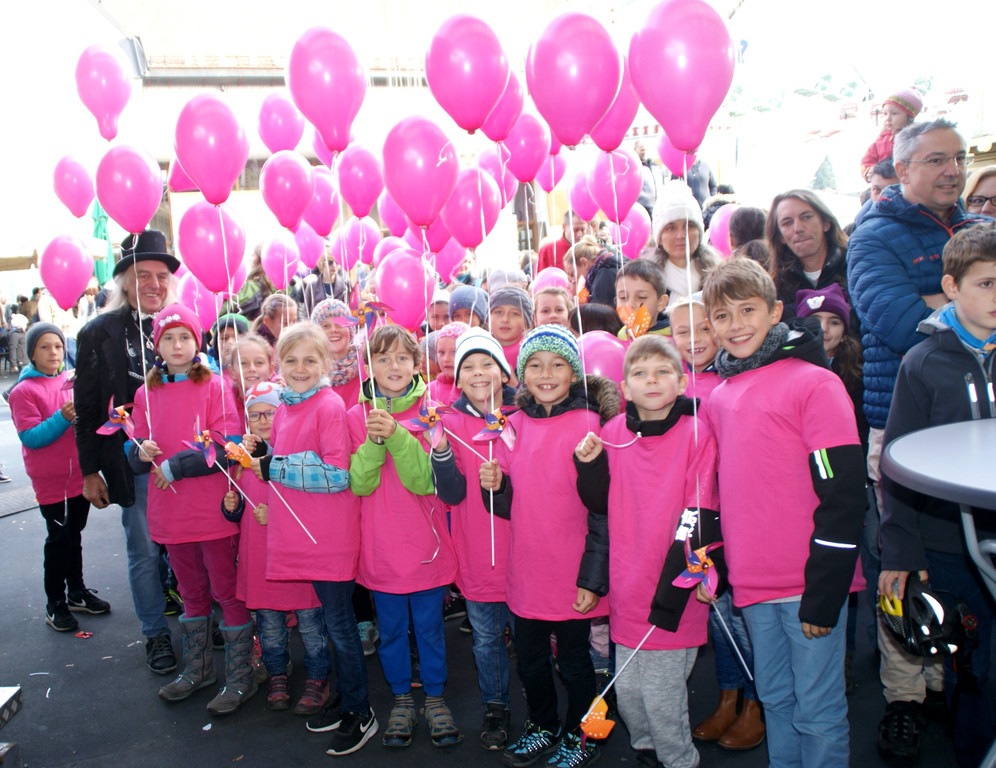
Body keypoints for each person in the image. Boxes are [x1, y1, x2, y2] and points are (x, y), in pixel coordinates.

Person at [846, 118, 985, 761]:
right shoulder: (874, 236)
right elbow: (902, 321)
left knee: (973, 570)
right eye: (935, 159)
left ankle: (955, 684)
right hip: (905, 429)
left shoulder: (971, 228)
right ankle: (904, 696)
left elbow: (928, 306)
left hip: (980, 433)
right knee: (904, 563)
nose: (952, 170)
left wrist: (944, 294)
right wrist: (959, 297)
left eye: (957, 158)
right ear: (902, 171)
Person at [703, 258, 866, 768]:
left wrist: (825, 588)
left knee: (818, 711)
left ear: (776, 312)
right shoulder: (719, 397)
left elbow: (842, 493)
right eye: (722, 316)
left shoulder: (815, 384)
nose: (736, 325)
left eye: (747, 310)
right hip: (752, 586)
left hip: (807, 584)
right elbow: (721, 491)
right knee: (775, 699)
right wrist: (722, 566)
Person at [878, 223, 996, 768]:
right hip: (953, 542)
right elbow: (899, 462)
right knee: (973, 663)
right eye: (987, 284)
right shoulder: (922, 364)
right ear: (951, 286)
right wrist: (902, 549)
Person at [575, 336, 722, 768]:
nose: (651, 381)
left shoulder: (697, 432)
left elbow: (702, 509)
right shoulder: (612, 432)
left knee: (662, 698)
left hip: (675, 583)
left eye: (662, 373)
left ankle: (678, 760)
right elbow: (598, 503)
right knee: (631, 695)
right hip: (627, 583)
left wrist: (689, 579)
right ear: (624, 388)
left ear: (681, 382)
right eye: (640, 373)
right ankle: (646, 752)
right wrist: (589, 465)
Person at [480, 324, 617, 768]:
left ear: (574, 374)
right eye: (534, 365)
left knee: (577, 665)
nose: (545, 373)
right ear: (521, 374)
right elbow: (506, 506)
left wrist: (593, 579)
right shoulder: (512, 425)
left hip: (573, 574)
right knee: (532, 662)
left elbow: (604, 510)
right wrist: (494, 486)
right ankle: (543, 724)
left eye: (558, 364)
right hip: (526, 572)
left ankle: (587, 735)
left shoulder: (593, 425)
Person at [247, 323, 377, 755]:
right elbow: (288, 459)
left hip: (331, 538)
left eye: (310, 360)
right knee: (333, 623)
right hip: (307, 537)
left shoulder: (329, 407)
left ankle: (361, 710)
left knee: (340, 628)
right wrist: (267, 458)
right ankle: (344, 698)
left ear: (327, 363)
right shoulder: (285, 407)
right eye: (291, 360)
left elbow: (338, 474)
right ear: (278, 365)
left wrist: (276, 467)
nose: (300, 368)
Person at [127, 303, 252, 714]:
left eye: (185, 337)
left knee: (226, 590)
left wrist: (173, 467)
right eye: (168, 337)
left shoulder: (215, 386)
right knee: (189, 591)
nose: (177, 345)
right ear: (156, 344)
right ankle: (198, 668)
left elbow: (227, 446)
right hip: (170, 512)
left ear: (197, 343)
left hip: (211, 508)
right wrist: (138, 449)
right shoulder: (145, 393)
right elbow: (134, 445)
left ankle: (240, 676)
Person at [347, 325, 460, 749]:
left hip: (426, 549)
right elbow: (359, 483)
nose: (393, 366)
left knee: (430, 629)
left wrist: (394, 434)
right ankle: (400, 699)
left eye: (402, 358)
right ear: (369, 366)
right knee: (391, 631)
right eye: (382, 358)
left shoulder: (433, 412)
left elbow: (424, 481)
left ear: (417, 364)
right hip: (381, 549)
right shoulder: (352, 416)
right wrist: (376, 440)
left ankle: (434, 698)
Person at [74, 230, 179, 675]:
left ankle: (197, 618)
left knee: (189, 546)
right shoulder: (98, 332)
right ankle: (155, 632)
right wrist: (89, 471)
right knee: (144, 551)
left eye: (162, 276)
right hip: (131, 461)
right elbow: (86, 405)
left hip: (185, 460)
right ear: (124, 281)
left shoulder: (182, 325)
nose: (155, 283)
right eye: (144, 275)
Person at [431, 328, 517, 750]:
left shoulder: (524, 417)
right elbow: (450, 493)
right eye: (469, 367)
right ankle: (495, 704)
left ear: (504, 372)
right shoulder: (447, 422)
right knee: (486, 638)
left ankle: (541, 709)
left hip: (525, 552)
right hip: (478, 552)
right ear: (457, 380)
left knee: (529, 637)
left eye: (488, 364)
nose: (479, 373)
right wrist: (442, 455)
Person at [221, 382, 328, 715]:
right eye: (255, 415)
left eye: (270, 412)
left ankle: (318, 676)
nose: (263, 419)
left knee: (311, 624)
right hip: (260, 561)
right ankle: (277, 674)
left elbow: (311, 504)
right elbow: (235, 513)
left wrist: (276, 515)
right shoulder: (239, 463)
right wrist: (231, 506)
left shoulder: (294, 456)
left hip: (296, 559)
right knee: (269, 627)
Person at [9, 323, 110, 632]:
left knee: (73, 535)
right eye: (44, 347)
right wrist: (62, 417)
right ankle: (55, 602)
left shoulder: (71, 380)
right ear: (31, 354)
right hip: (51, 483)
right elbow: (32, 437)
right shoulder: (23, 391)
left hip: (80, 476)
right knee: (59, 540)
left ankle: (77, 592)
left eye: (57, 346)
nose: (53, 352)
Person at [766, 189, 851, 323]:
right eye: (787, 222)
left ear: (826, 223)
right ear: (780, 236)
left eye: (806, 217)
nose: (798, 228)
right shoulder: (773, 286)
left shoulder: (854, 266)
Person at [648, 182, 721, 302]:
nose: (681, 235)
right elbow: (641, 320)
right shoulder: (646, 280)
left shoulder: (718, 276)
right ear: (659, 238)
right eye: (671, 228)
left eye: (689, 226)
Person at [860, 89, 922, 181]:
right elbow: (866, 161)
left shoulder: (916, 140)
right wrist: (870, 170)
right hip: (883, 186)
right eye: (885, 113)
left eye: (894, 113)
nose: (888, 118)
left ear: (909, 117)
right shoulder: (881, 141)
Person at [310, 299, 361, 410]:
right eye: (325, 326)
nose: (334, 330)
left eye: (340, 324)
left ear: (350, 329)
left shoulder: (367, 362)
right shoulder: (309, 371)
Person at [614, 259, 670, 339]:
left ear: (661, 302)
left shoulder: (674, 336)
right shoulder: (622, 335)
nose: (630, 304)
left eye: (641, 297)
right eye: (623, 297)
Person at [489, 285, 533, 383]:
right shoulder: (480, 348)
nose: (505, 319)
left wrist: (516, 387)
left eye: (514, 313)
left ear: (526, 322)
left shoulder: (532, 351)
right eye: (499, 312)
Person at [228, 334, 275, 424]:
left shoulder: (281, 403)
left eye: (259, 362)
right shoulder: (225, 405)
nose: (252, 369)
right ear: (232, 371)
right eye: (243, 363)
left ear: (270, 370)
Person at [565, 236, 621, 307]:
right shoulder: (603, 271)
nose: (569, 283)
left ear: (584, 263)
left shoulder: (603, 278)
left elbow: (597, 314)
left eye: (572, 274)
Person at [427, 322, 470, 406]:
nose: (446, 359)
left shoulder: (476, 390)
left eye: (454, 352)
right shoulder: (427, 390)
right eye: (441, 352)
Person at [301, 251, 348, 317]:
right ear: (322, 265)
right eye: (330, 262)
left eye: (337, 262)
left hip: (339, 325)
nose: (334, 265)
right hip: (318, 325)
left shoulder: (345, 284)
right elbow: (306, 312)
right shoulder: (312, 286)